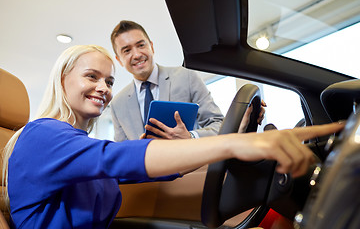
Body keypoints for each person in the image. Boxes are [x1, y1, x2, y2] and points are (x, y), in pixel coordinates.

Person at [2, 45, 344, 228]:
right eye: (92, 76)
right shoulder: (40, 134)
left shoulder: (78, 147)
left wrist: (230, 137)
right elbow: (117, 158)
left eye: (108, 81)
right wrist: (232, 143)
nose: (104, 88)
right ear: (62, 79)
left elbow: (133, 162)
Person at [109, 20, 228, 141]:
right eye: (127, 51)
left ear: (152, 47)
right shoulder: (117, 104)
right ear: (119, 60)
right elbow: (121, 151)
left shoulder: (187, 76)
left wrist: (190, 136)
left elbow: (219, 125)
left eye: (141, 45)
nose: (136, 55)